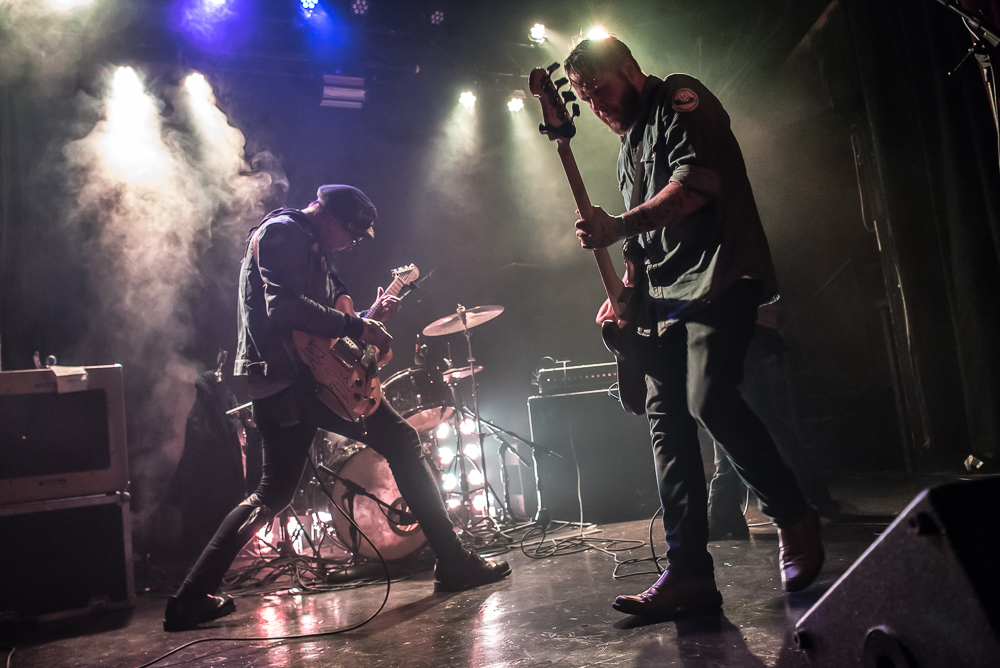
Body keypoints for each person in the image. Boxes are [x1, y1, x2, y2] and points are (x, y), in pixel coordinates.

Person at [163, 184, 510, 632]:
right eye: (353, 233)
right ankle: (453, 562)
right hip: (291, 383)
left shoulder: (310, 246)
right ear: (331, 218)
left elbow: (316, 331)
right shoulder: (284, 233)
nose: (352, 243)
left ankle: (190, 598)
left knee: (273, 493)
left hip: (291, 381)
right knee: (401, 441)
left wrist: (364, 319)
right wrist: (356, 325)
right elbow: (284, 308)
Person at [563, 37, 823, 616]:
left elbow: (696, 187)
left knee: (710, 399)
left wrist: (616, 225)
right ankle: (689, 576)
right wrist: (626, 295)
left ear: (630, 71)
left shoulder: (682, 99)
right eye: (585, 98)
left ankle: (793, 516)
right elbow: (641, 243)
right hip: (661, 300)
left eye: (600, 90)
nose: (597, 106)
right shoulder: (627, 148)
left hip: (719, 278)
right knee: (667, 428)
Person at [707, 304, 841, 540]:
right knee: (752, 414)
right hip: (746, 327)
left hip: (740, 327)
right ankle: (812, 492)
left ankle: (724, 509)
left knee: (727, 414)